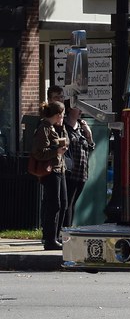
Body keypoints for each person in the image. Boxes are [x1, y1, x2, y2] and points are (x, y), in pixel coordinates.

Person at [31, 100, 68, 250]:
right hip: (51, 170)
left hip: (60, 168)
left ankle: (55, 235)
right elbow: (38, 153)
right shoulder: (44, 128)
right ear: (58, 114)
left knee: (63, 203)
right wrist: (56, 151)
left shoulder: (54, 127)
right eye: (62, 114)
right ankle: (49, 239)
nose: (63, 117)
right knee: (54, 204)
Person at [62, 101, 95, 228]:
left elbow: (90, 147)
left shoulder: (82, 126)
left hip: (82, 172)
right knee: (68, 202)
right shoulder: (64, 127)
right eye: (78, 108)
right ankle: (66, 229)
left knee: (73, 202)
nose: (81, 111)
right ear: (70, 109)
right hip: (70, 170)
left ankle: (67, 228)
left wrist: (89, 135)